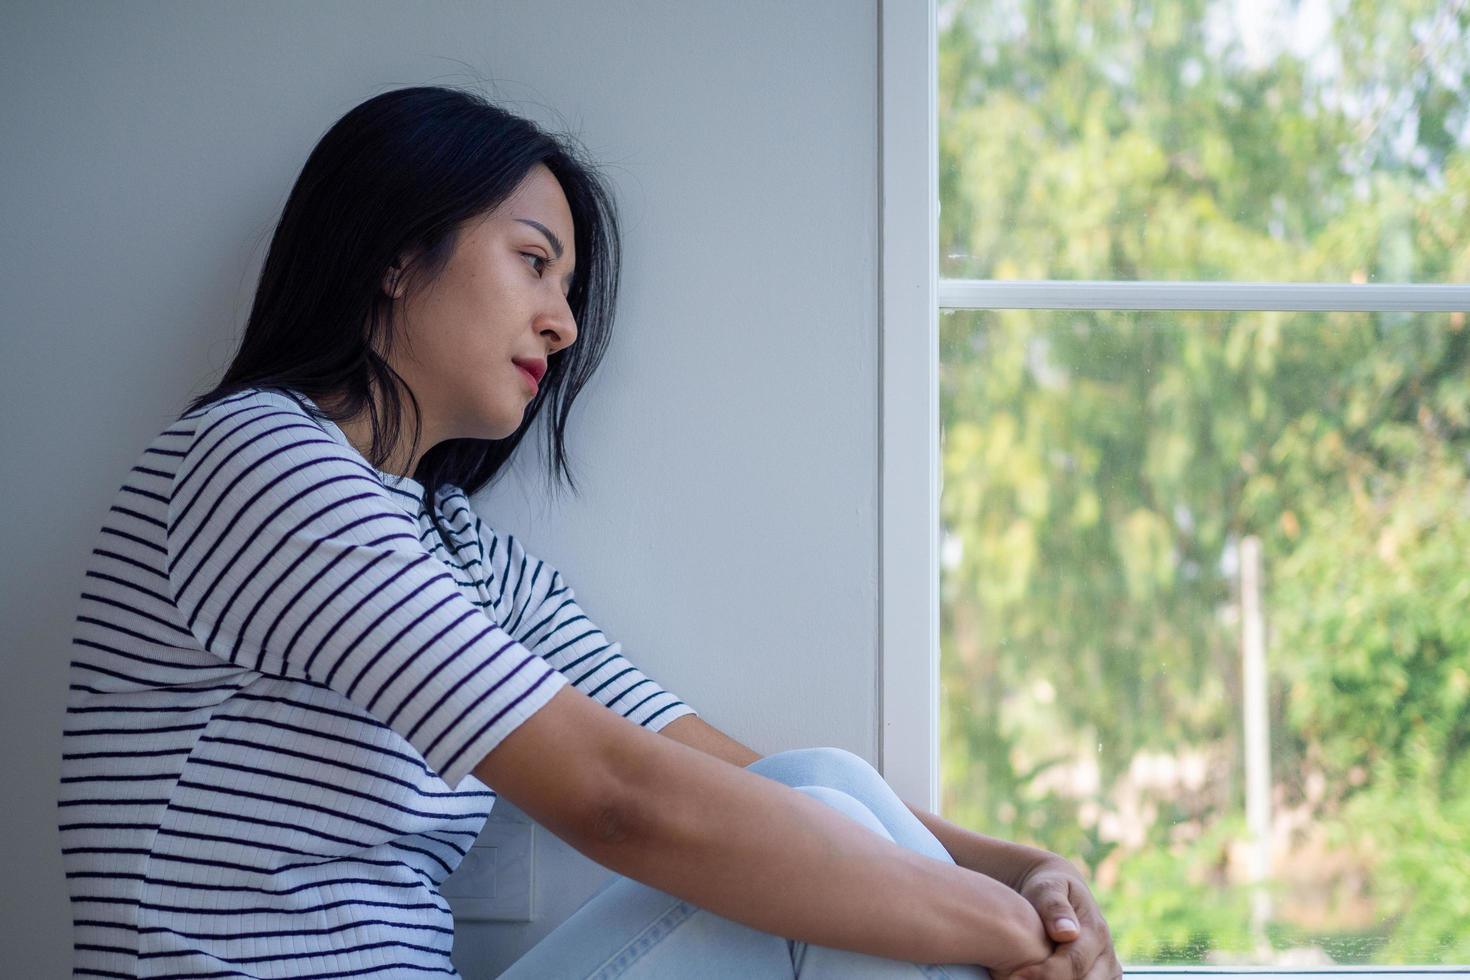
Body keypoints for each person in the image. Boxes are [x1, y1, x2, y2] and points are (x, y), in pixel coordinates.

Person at [57, 85, 1123, 980]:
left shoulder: (453, 544)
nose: (564, 324)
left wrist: (1019, 865)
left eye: (568, 288)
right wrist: (1000, 930)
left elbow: (720, 773)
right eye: (534, 262)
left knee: (821, 788)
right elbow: (619, 801)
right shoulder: (255, 462)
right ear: (393, 254)